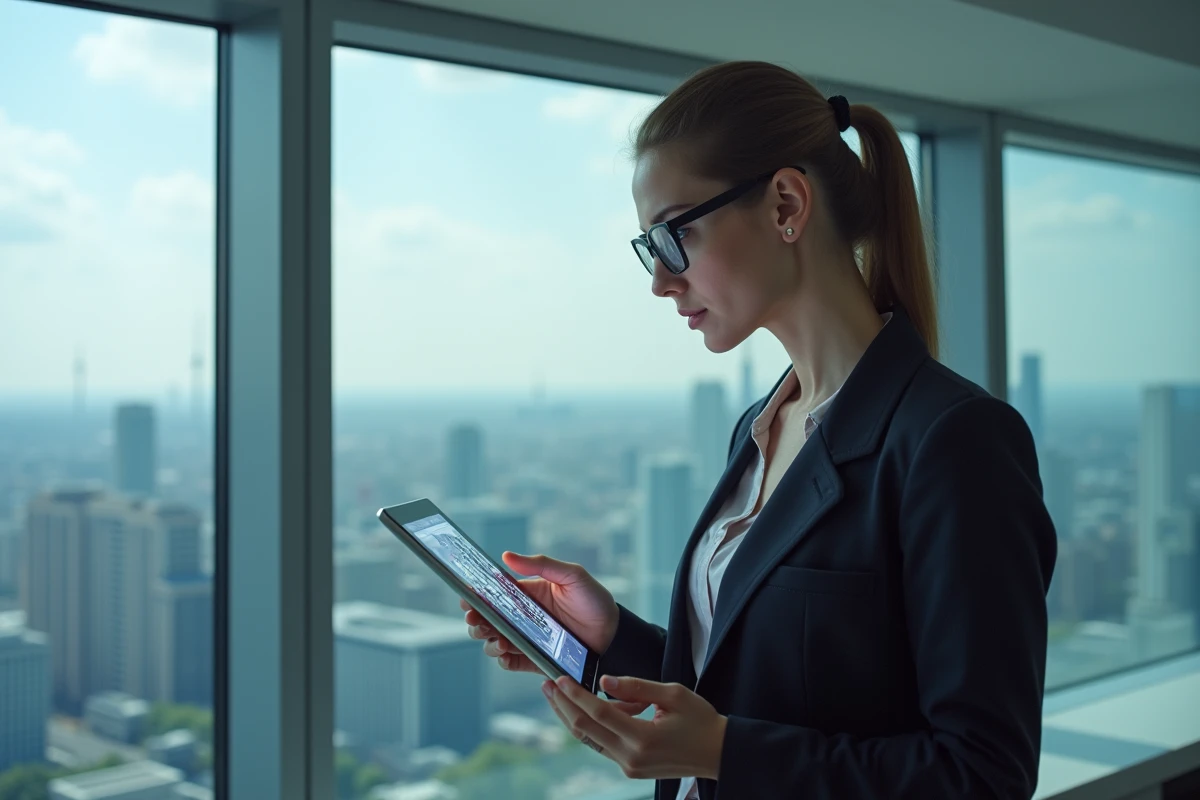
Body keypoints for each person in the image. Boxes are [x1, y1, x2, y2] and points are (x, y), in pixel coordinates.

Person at [462, 60, 1056, 800]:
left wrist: (726, 752)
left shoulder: (953, 441)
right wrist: (613, 638)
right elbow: (757, 679)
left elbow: (982, 776)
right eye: (649, 250)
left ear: (784, 204)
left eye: (673, 237)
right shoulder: (761, 427)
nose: (659, 280)